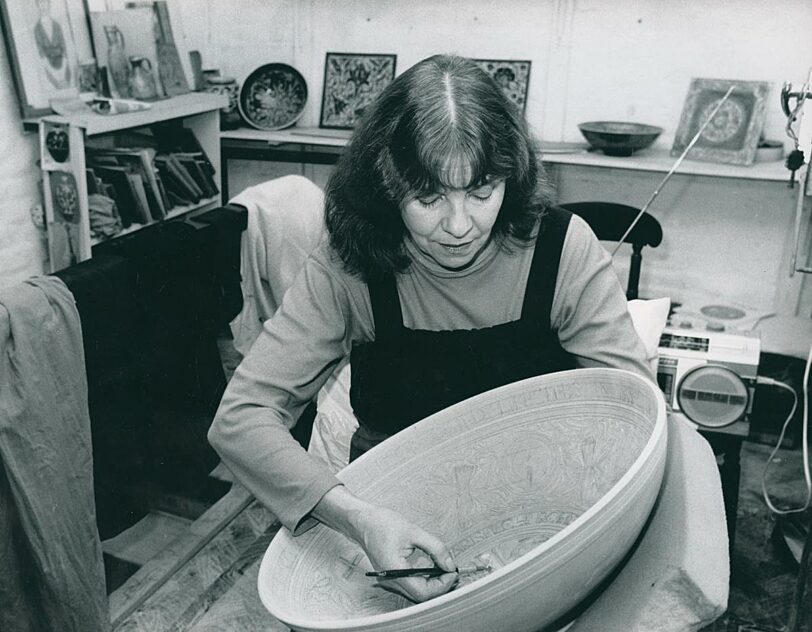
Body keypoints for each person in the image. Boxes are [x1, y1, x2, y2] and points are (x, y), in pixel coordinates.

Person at [208, 54, 651, 604]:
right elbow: (240, 420)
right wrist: (359, 519)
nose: (460, 226)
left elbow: (633, 416)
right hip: (396, 526)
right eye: (428, 197)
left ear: (511, 177)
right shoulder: (351, 263)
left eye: (483, 190)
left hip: (544, 511)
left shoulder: (564, 250)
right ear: (385, 187)